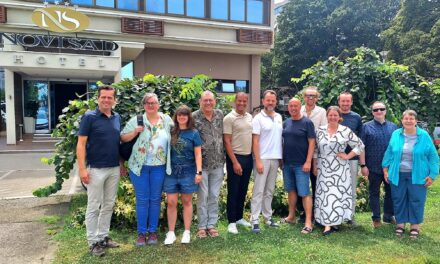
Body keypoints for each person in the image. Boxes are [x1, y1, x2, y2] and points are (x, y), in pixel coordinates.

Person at [77, 85, 124, 257]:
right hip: (95, 169)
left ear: (114, 100)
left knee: (109, 204)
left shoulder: (117, 117)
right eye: (103, 97)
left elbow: (116, 142)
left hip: (113, 168)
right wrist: (82, 169)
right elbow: (81, 144)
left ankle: (103, 236)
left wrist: (121, 164)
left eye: (109, 97)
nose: (106, 100)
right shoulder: (89, 117)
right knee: (93, 206)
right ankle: (92, 242)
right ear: (98, 98)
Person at [120, 93, 173, 246]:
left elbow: (176, 133)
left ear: (158, 105)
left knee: (155, 199)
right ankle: (142, 234)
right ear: (144, 105)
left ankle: (153, 232)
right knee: (142, 200)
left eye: (154, 102)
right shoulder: (136, 120)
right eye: (148, 103)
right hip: (139, 167)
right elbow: (123, 138)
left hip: (160, 167)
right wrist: (135, 132)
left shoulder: (166, 120)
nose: (151, 105)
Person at [382, 110, 439, 238]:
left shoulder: (424, 136)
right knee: (398, 199)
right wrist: (385, 169)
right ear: (402, 121)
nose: (408, 121)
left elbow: (433, 157)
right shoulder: (396, 134)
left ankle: (414, 226)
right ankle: (400, 224)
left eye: (411, 119)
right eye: (406, 118)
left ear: (415, 121)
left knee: (416, 199)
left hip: (418, 175)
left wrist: (433, 175)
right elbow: (389, 153)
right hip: (397, 174)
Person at [313, 106, 364, 235]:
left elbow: (360, 145)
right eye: (330, 115)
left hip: (340, 168)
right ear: (327, 116)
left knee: (337, 195)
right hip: (323, 166)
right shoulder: (320, 131)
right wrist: (314, 165)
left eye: (335, 115)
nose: (333, 117)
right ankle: (327, 222)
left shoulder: (345, 131)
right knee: (325, 195)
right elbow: (315, 149)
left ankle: (332, 223)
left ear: (339, 117)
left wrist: (347, 156)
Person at [163, 105, 202, 245]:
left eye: (184, 115)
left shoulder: (194, 133)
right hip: (171, 171)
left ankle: (187, 231)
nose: (182, 117)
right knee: (171, 202)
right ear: (176, 116)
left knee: (187, 201)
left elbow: (198, 154)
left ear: (188, 117)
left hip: (188, 170)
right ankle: (171, 232)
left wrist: (199, 172)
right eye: (179, 114)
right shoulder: (171, 131)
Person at [359, 101, 398, 228]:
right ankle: (376, 218)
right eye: (376, 110)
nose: (379, 111)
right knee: (374, 193)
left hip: (390, 167)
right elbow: (361, 147)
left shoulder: (393, 127)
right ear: (372, 112)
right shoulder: (366, 127)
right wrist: (363, 165)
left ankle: (388, 215)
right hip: (373, 167)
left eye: (381, 109)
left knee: (390, 192)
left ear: (385, 111)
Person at [193, 91, 225, 238]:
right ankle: (201, 226)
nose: (208, 103)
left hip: (218, 163)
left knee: (214, 195)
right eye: (205, 100)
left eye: (210, 100)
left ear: (215, 102)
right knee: (202, 196)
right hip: (202, 165)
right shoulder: (194, 117)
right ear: (200, 101)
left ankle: (211, 225)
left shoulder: (220, 115)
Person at [250, 90, 283, 233]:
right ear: (263, 101)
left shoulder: (279, 117)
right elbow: (255, 141)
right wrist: (258, 161)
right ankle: (254, 219)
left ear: (276, 102)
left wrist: (281, 159)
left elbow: (280, 139)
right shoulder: (258, 118)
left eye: (273, 100)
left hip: (275, 158)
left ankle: (268, 218)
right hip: (262, 158)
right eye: (268, 100)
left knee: (269, 190)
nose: (270, 103)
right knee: (258, 190)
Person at [281, 98, 315, 234]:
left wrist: (308, 161)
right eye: (291, 106)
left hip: (302, 164)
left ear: (300, 107)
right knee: (291, 190)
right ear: (288, 108)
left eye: (295, 106)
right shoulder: (286, 122)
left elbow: (312, 143)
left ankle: (308, 222)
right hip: (287, 163)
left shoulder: (307, 123)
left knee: (305, 192)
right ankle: (291, 216)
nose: (293, 108)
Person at [223, 92, 253, 234]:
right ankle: (231, 221)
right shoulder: (229, 118)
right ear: (235, 101)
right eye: (239, 101)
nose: (241, 103)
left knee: (243, 189)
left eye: (244, 101)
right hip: (235, 157)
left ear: (247, 102)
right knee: (233, 190)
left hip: (248, 157)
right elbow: (227, 141)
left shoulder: (249, 117)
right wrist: (235, 162)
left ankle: (240, 217)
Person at [299, 86, 327, 222]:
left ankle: (317, 214)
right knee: (301, 184)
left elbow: (322, 135)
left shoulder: (322, 112)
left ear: (317, 98)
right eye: (308, 95)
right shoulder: (299, 110)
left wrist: (314, 159)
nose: (310, 98)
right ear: (304, 97)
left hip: (317, 155)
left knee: (316, 184)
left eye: (313, 96)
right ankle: (303, 213)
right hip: (299, 154)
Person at [338, 92, 363, 225]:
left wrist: (361, 162)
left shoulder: (356, 118)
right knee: (338, 188)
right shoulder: (334, 115)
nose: (345, 104)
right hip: (335, 159)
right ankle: (338, 215)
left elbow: (360, 142)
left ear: (351, 102)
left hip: (352, 159)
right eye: (343, 101)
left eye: (348, 101)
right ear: (339, 102)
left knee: (351, 188)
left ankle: (351, 216)